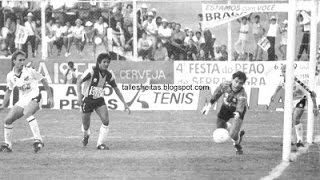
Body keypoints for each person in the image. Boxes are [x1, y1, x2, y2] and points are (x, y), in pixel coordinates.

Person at [0, 50, 53, 153]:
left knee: (27, 113)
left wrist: (50, 97)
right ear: (14, 61)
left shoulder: (30, 71)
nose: (22, 62)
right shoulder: (10, 76)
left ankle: (38, 140)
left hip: (35, 96)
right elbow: (8, 91)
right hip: (24, 99)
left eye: (24, 60)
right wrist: (3, 105)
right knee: (8, 120)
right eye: (20, 60)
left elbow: (44, 80)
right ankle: (8, 145)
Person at [76, 53, 131, 150]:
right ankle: (86, 134)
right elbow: (79, 81)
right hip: (88, 100)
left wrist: (125, 104)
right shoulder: (91, 71)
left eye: (108, 62)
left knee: (106, 121)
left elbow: (116, 89)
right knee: (86, 126)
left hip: (99, 100)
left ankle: (100, 144)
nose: (106, 64)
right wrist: (79, 97)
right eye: (104, 62)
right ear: (99, 62)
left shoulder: (108, 75)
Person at [270, 65, 318, 147]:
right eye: (284, 71)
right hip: (290, 101)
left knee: (295, 119)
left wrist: (315, 106)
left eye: (287, 71)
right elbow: (279, 85)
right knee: (289, 121)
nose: (285, 73)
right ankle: (290, 140)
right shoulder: (283, 79)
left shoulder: (297, 81)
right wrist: (274, 94)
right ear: (282, 73)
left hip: (301, 99)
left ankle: (300, 141)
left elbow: (312, 93)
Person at [201, 71, 248, 155]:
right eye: (236, 81)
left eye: (240, 83)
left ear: (243, 84)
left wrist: (238, 113)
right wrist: (209, 105)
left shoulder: (242, 94)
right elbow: (217, 94)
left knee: (233, 135)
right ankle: (236, 131)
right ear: (232, 79)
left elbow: (240, 106)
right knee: (220, 125)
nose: (237, 85)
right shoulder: (225, 85)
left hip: (237, 112)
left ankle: (237, 144)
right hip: (226, 107)